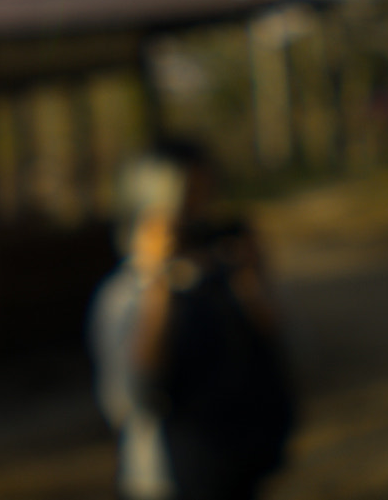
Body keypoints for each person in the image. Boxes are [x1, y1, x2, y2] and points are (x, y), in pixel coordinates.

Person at [91, 138, 296, 500]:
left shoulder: (223, 277)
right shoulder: (124, 294)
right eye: (186, 203)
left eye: (205, 198)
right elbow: (130, 398)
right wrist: (156, 281)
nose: (197, 216)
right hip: (166, 480)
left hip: (239, 468)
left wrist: (252, 280)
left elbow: (283, 352)